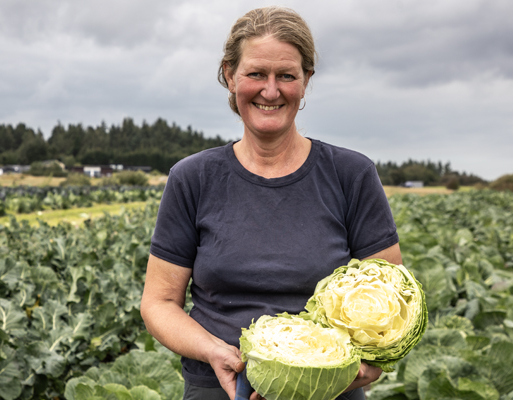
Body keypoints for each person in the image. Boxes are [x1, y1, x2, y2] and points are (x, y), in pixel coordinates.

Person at [140, 6, 401, 400]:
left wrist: (362, 368)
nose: (271, 90)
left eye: (287, 76)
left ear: (306, 80)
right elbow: (158, 303)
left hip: (328, 389)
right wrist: (214, 351)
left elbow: (391, 305)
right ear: (230, 75)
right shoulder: (192, 178)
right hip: (220, 386)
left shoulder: (351, 174)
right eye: (256, 73)